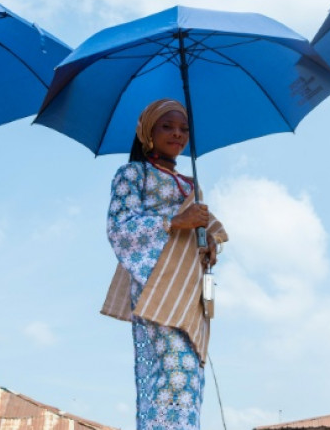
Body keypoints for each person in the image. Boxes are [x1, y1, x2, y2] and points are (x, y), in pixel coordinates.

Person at [103, 98, 228, 430]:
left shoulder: (190, 186)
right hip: (156, 283)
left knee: (191, 372)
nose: (177, 134)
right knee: (173, 370)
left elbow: (199, 233)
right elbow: (119, 227)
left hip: (189, 286)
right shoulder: (133, 174)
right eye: (167, 126)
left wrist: (209, 243)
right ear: (147, 133)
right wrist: (174, 221)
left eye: (184, 129)